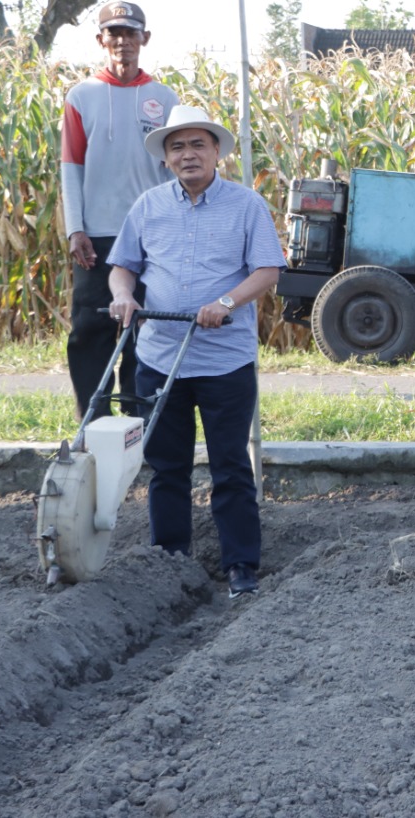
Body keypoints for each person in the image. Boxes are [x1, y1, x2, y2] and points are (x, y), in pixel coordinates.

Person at [105, 104, 286, 599]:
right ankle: (170, 563)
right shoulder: (147, 207)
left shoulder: (246, 206)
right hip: (160, 355)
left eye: (197, 145)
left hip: (224, 359)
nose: (188, 155)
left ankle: (242, 567)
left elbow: (268, 270)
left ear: (216, 153)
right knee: (167, 467)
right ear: (166, 158)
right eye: (177, 146)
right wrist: (123, 294)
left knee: (230, 465)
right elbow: (122, 265)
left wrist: (226, 302)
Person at [61, 0, 177, 421]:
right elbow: (71, 167)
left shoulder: (163, 98)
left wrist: (174, 230)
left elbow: (173, 169)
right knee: (91, 330)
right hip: (98, 235)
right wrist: (76, 228)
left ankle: (139, 422)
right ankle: (94, 422)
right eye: (114, 33)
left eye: (131, 33)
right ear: (100, 40)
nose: (122, 42)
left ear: (145, 39)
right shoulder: (81, 96)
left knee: (144, 329)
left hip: (152, 233)